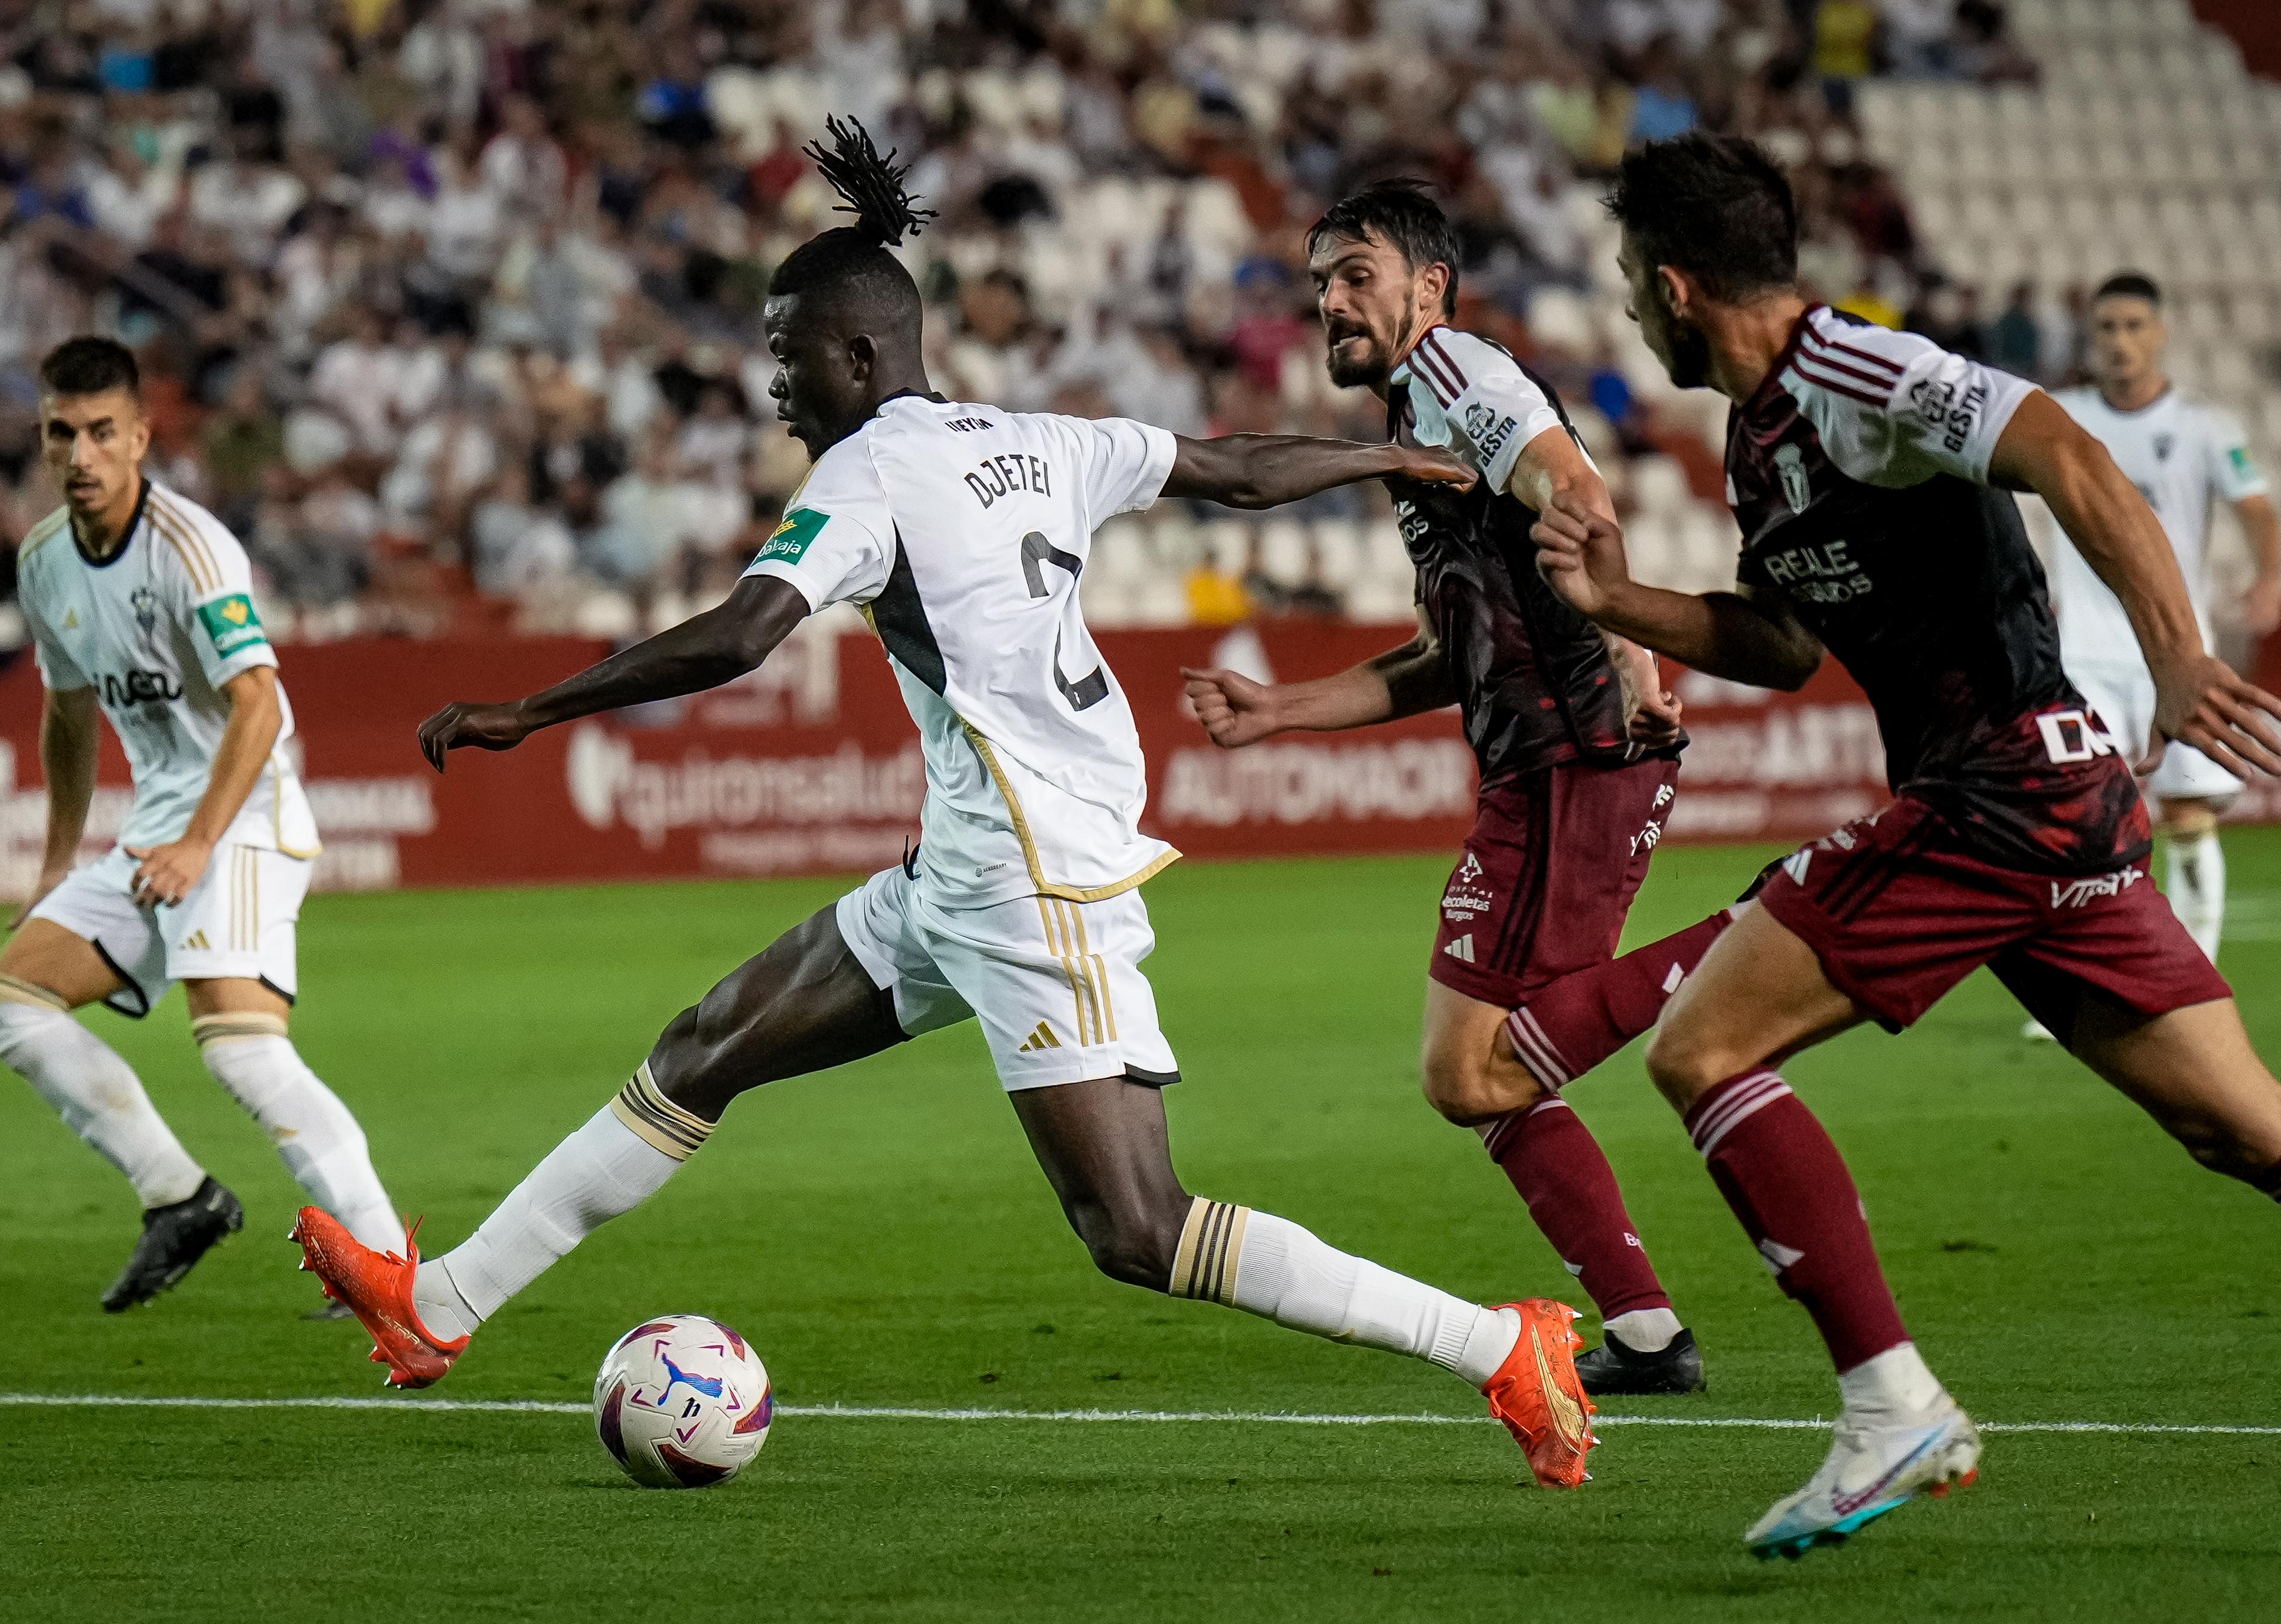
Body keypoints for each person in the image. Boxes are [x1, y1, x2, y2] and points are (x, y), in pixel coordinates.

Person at [295, 120, 1599, 1489]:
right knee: (702, 1049)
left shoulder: (866, 474)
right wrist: (1376, 464)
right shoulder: (1035, 439)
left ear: (857, 358)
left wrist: (531, 708)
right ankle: (436, 1307)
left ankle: (1496, 1346)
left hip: (1031, 879)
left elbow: (741, 636)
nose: (776, 391)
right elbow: (1226, 463)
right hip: (965, 866)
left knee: (1136, 1230)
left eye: (786, 361)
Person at [1533, 133, 2281, 1558]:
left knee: (1699, 1051)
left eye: (1629, 291)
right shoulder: (1759, 435)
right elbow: (1777, 643)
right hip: (2047, 811)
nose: (1631, 319)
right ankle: (1888, 1404)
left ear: (1671, 283)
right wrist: (1623, 599)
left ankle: (1888, 1403)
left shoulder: (1853, 374)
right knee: (2243, 1128)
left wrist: (2178, 661)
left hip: (1995, 793)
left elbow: (2062, 453)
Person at [1180, 181, 1739, 1397]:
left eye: (1357, 274)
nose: (1332, 299)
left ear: (1428, 287)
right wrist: (1285, 709)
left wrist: (1635, 656)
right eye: (1322, 279)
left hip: (1571, 762)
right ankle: (1646, 1334)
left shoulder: (1459, 378)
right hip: (1548, 760)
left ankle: (1762, 933)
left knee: (1468, 1068)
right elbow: (1455, 652)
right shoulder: (1424, 418)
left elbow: (1580, 499)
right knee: (1486, 1073)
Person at [0, 336, 409, 1315]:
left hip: (244, 812)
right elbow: (67, 714)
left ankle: (387, 1264)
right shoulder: (44, 561)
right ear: (41, 442)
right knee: (11, 1002)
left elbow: (257, 702)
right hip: (160, 830)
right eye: (60, 434)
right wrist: (54, 863)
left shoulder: (192, 548)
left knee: (240, 1045)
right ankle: (179, 1195)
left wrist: (201, 844)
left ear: (139, 436)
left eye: (100, 433)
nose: (79, 455)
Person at [2021, 273, 2281, 1010]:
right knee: (2080, 821)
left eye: (2134, 325)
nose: (2119, 340)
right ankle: (2076, 991)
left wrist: (2267, 577)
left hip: (2178, 651)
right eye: (2105, 327)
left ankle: (2192, 979)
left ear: (2160, 332)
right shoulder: (2060, 418)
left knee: (2191, 817)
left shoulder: (2205, 427)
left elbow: (2256, 509)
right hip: (2083, 657)